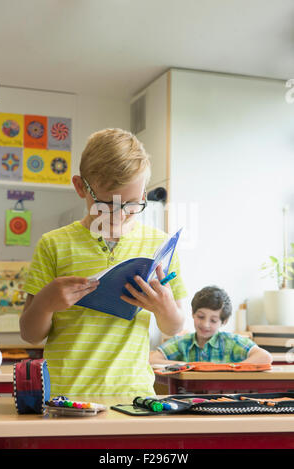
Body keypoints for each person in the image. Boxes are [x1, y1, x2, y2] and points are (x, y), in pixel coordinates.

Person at [20, 128, 187, 398]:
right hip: (65, 397)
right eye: (108, 204)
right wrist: (45, 303)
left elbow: (174, 326)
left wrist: (164, 308)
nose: (120, 215)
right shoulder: (53, 244)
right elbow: (30, 334)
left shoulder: (160, 245)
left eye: (132, 204)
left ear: (144, 193)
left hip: (134, 398)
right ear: (80, 187)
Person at [150, 285, 272, 365]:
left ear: (223, 321)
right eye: (201, 317)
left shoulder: (231, 342)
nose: (205, 324)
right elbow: (152, 359)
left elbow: (265, 357)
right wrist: (187, 366)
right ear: (193, 313)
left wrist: (229, 368)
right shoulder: (183, 342)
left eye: (213, 320)